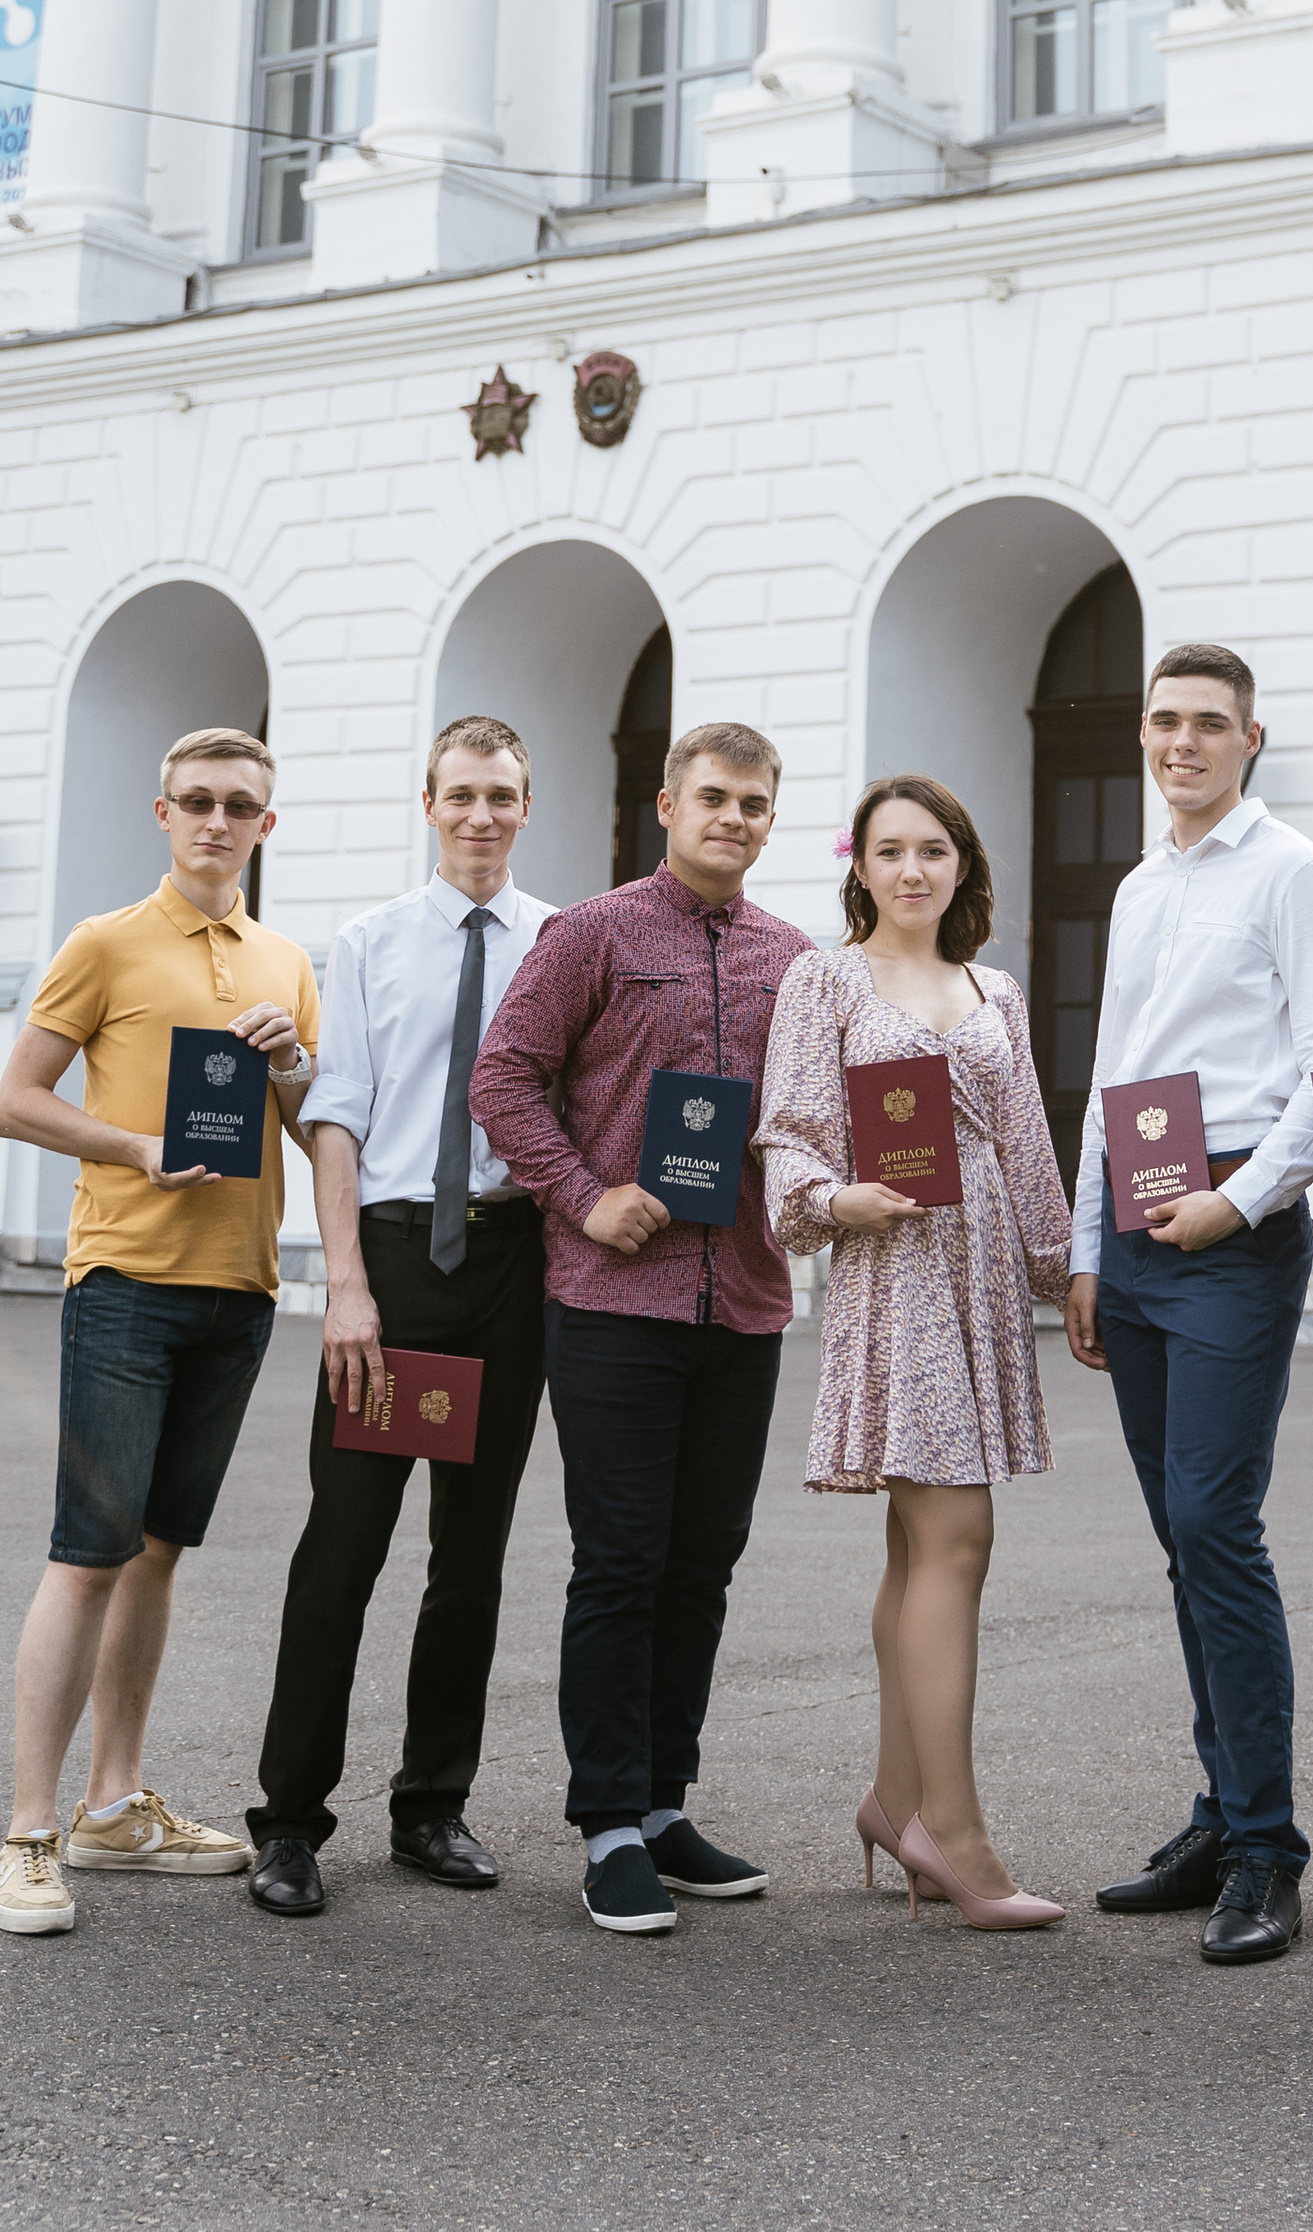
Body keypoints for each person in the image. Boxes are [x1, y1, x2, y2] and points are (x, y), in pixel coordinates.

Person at [1065, 643, 1313, 1967]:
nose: (1182, 743)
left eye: (1208, 724)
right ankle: (1218, 1813)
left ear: (1251, 741)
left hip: (1231, 1234)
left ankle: (1267, 1852)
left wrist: (1238, 1203)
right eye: (1165, 722)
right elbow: (1112, 1072)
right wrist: (1088, 1249)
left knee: (1215, 1524)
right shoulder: (1142, 887)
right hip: (1136, 1237)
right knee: (1181, 1541)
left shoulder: (1295, 872)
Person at [470, 721, 806, 1937]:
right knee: (619, 1561)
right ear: (666, 805)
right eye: (713, 797)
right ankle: (607, 1822)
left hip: (747, 1299)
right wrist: (584, 1193)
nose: (733, 818)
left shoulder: (794, 956)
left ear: (772, 820)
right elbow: (503, 1077)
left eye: (755, 804)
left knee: (702, 1562)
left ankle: (666, 1805)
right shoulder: (592, 934)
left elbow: (811, 1117)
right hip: (614, 1302)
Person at [0, 727, 319, 1938]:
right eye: (197, 803)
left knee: (160, 1551)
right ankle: (28, 1834)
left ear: (265, 826)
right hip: (125, 1279)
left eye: (240, 806)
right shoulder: (106, 943)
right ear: (163, 812)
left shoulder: (285, 960)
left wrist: (292, 1069)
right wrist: (135, 1149)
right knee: (89, 1551)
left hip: (241, 1290)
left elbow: (306, 1127)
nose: (217, 822)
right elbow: (15, 1101)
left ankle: (112, 1805)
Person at [243, 716, 555, 1916]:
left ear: (529, 806)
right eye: (463, 794)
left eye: (503, 796)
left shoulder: (560, 943)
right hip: (397, 1265)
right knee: (345, 1551)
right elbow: (340, 1119)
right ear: (428, 802)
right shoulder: (370, 942)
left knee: (468, 1559)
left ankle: (433, 1806)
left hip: (509, 1266)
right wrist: (348, 1289)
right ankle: (288, 1822)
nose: (482, 815)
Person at [755, 774, 1073, 1931]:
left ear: (960, 864)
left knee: (918, 1542)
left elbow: (1029, 1145)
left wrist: (1067, 1273)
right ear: (860, 866)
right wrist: (838, 1198)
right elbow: (785, 1132)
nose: (911, 871)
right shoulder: (826, 977)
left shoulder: (994, 988)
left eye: (931, 850)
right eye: (889, 851)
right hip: (896, 1267)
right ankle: (956, 1828)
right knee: (957, 1535)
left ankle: (895, 1802)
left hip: (984, 1269)